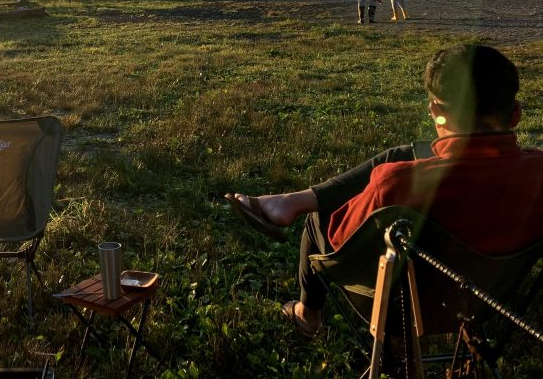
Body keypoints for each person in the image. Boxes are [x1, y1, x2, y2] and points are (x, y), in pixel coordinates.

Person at [228, 44, 543, 336]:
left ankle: (307, 314)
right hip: (487, 302)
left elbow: (341, 245)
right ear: (515, 114)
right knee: (406, 151)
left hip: (401, 310)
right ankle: (292, 201)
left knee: (318, 219)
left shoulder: (396, 184)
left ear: (435, 111)